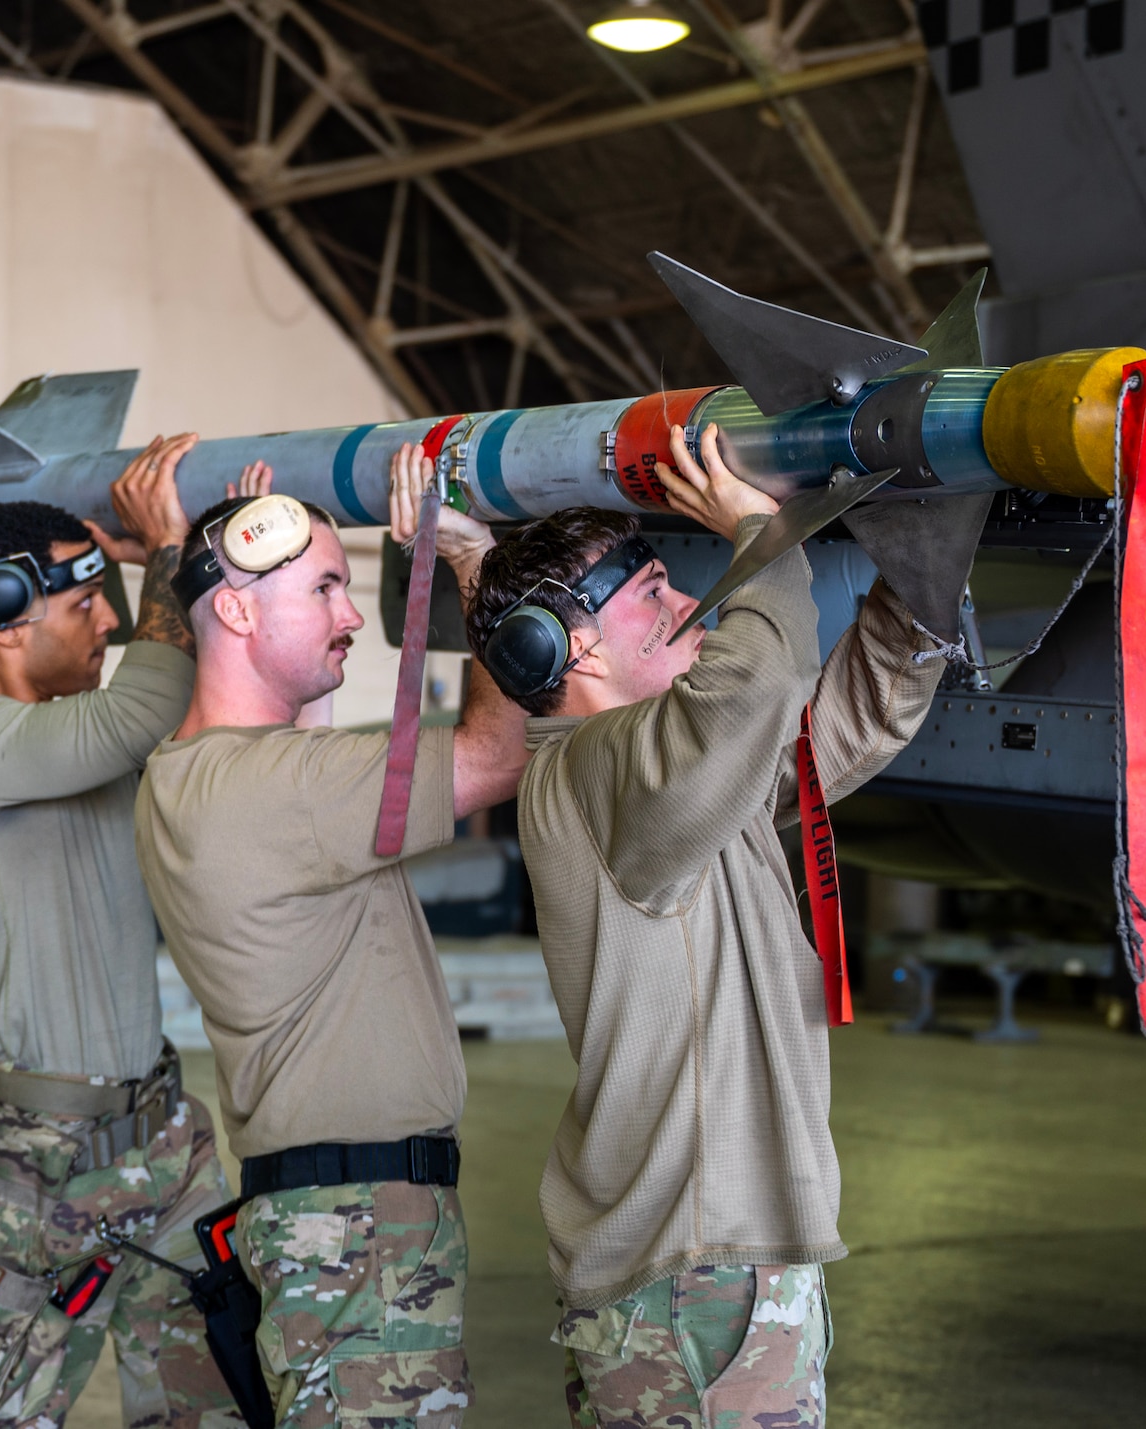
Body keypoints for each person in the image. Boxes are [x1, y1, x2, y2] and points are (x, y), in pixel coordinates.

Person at [461, 424, 949, 1428]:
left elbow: (828, 730)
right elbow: (757, 684)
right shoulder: (599, 771)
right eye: (653, 593)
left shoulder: (663, 778)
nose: (691, 601)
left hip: (707, 1271)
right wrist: (759, 533)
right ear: (572, 645)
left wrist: (923, 566)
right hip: (698, 1278)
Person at [0, 434, 254, 1429]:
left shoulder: (88, 750)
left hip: (160, 1133)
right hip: (35, 1155)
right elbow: (136, 710)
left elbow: (177, 703)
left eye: (108, 597)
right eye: (82, 604)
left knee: (222, 1389)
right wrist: (165, 553)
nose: (108, 621)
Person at [135, 442, 528, 1429]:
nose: (352, 615)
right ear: (234, 611)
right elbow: (492, 756)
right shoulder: (284, 791)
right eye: (324, 589)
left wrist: (214, 552)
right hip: (363, 1226)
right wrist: (476, 567)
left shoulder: (191, 775)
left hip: (318, 1208)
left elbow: (294, 728)